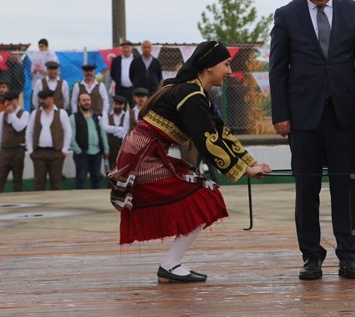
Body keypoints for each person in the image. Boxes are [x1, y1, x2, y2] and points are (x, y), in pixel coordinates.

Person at [109, 41, 271, 283]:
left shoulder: (195, 92)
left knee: (201, 196)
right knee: (205, 196)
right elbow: (208, 141)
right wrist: (244, 170)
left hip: (146, 153)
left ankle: (171, 265)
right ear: (208, 66)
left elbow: (219, 131)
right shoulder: (191, 95)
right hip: (142, 159)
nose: (229, 71)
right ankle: (170, 265)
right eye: (226, 64)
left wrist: (251, 161)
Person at [269, 0, 355, 281]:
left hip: (344, 115)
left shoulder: (353, 11)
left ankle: (349, 256)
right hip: (302, 118)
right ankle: (311, 257)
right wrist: (281, 114)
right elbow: (277, 68)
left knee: (345, 186)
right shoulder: (286, 15)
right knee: (307, 189)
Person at [26, 88, 72, 191]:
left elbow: (67, 132)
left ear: (51, 99)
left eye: (44, 98)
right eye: (40, 99)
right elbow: (29, 132)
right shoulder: (35, 113)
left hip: (56, 152)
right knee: (39, 183)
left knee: (56, 183)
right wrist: (30, 150)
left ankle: (55, 206)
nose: (41, 101)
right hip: (39, 152)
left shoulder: (62, 113)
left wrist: (64, 149)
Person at [70, 92, 108, 189]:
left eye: (88, 100)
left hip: (96, 153)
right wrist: (78, 151)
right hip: (82, 153)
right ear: (79, 103)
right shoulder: (73, 117)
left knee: (96, 177)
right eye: (84, 100)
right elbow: (71, 137)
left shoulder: (96, 117)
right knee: (81, 178)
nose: (86, 102)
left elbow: (102, 133)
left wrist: (106, 149)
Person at [0, 91, 29, 193]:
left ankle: (18, 205)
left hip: (17, 150)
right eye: (6, 101)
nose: (8, 103)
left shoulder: (24, 114)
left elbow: (19, 128)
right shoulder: (2, 115)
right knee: (0, 179)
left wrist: (12, 114)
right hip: (4, 151)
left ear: (16, 100)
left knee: (17, 181)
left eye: (11, 100)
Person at [105, 95, 130, 170]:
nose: (118, 106)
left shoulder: (127, 115)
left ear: (124, 105)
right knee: (111, 171)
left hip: (124, 148)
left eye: (120, 104)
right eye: (116, 104)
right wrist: (120, 129)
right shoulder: (107, 115)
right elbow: (105, 128)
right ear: (113, 103)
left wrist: (113, 130)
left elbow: (128, 131)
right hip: (110, 149)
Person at [110, 40, 137, 108]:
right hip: (120, 89)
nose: (126, 49)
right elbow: (112, 73)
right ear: (121, 49)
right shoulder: (116, 60)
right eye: (124, 47)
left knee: (134, 108)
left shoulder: (137, 59)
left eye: (127, 47)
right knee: (120, 108)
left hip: (133, 89)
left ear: (131, 48)